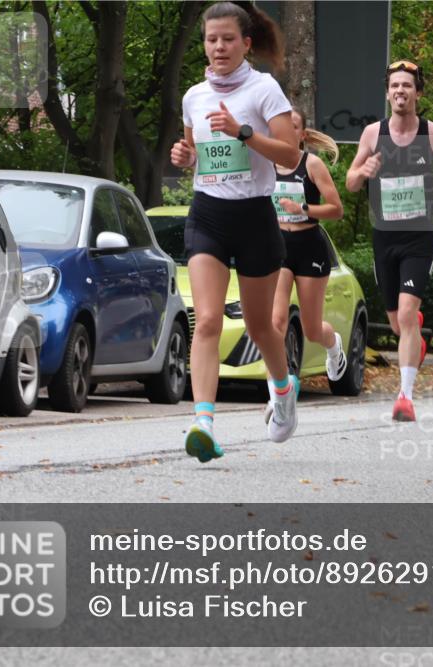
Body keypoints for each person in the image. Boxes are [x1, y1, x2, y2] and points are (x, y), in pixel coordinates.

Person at [170, 1, 301, 462]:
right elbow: (197, 156)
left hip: (254, 218)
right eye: (211, 39)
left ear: (246, 43)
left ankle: (283, 391)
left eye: (227, 39)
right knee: (204, 320)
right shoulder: (193, 97)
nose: (219, 47)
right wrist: (186, 158)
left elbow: (290, 155)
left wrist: (244, 132)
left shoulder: (264, 90)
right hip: (207, 213)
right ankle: (203, 421)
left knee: (260, 324)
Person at [345, 59, 433, 422]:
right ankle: (415, 341)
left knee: (406, 314)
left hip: (419, 238)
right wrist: (362, 172)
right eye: (395, 85)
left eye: (408, 86)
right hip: (384, 239)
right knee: (400, 325)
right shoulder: (372, 134)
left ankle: (405, 397)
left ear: (418, 92)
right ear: (387, 93)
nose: (401, 91)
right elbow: (351, 182)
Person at [269, 109, 347, 400]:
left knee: (311, 329)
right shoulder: (265, 164)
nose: (285, 131)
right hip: (278, 246)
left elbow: (336, 209)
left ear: (301, 135)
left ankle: (334, 345)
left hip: (310, 245)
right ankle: (278, 393)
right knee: (275, 322)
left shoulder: (311, 164)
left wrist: (302, 209)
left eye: (293, 126)